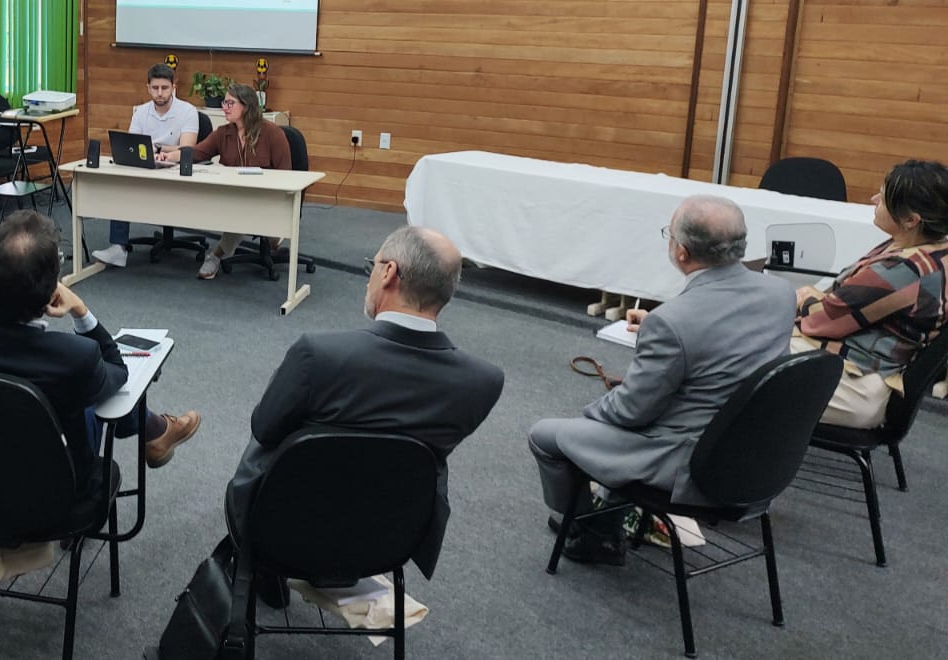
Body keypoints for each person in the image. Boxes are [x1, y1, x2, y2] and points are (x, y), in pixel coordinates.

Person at [226, 226, 504, 598]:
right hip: (390, 536)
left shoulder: (318, 354)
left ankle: (261, 568)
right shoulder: (483, 382)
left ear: (388, 273)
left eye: (371, 266)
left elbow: (263, 429)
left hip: (282, 526)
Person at [527, 195, 795, 565]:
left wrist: (591, 412)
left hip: (691, 463)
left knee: (548, 434)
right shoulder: (781, 293)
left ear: (681, 252)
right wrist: (659, 337)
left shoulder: (673, 321)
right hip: (758, 455)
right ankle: (604, 522)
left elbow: (631, 412)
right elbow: (727, 341)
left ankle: (592, 531)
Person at [0, 210, 200, 486]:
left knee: (86, 384)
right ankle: (154, 430)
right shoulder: (76, 357)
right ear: (53, 289)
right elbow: (117, 370)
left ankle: (154, 430)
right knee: (100, 385)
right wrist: (80, 309)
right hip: (53, 497)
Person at [796, 159, 948, 428]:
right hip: (861, 372)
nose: (873, 199)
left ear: (911, 220)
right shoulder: (932, 250)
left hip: (853, 386)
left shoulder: (904, 270)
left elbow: (820, 320)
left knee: (726, 360)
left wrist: (802, 298)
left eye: (884, 198)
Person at [160, 83, 290, 279]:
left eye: (230, 103)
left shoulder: (272, 133)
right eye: (224, 102)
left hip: (269, 197)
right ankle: (272, 240)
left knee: (243, 211)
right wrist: (170, 157)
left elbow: (286, 174)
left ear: (246, 106)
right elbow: (197, 152)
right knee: (240, 207)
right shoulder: (224, 133)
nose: (225, 107)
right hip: (236, 195)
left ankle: (216, 255)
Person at [90, 62, 201, 268]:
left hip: (175, 170)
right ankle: (118, 248)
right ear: (148, 88)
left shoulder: (188, 111)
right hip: (146, 168)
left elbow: (186, 150)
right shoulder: (141, 112)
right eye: (155, 88)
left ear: (173, 88)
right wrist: (162, 150)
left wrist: (161, 151)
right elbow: (133, 147)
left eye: (165, 88)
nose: (160, 93)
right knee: (120, 185)